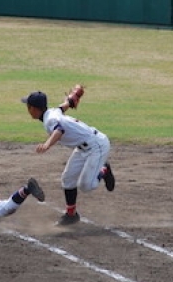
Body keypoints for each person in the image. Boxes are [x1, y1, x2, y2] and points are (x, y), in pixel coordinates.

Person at [22, 89, 114, 226]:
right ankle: (71, 215)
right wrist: (71, 100)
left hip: (97, 146)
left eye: (28, 106)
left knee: (86, 186)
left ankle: (104, 170)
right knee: (68, 179)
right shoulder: (52, 112)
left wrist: (47, 145)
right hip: (83, 147)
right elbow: (63, 107)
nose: (27, 109)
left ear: (34, 109)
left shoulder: (50, 119)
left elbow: (59, 130)